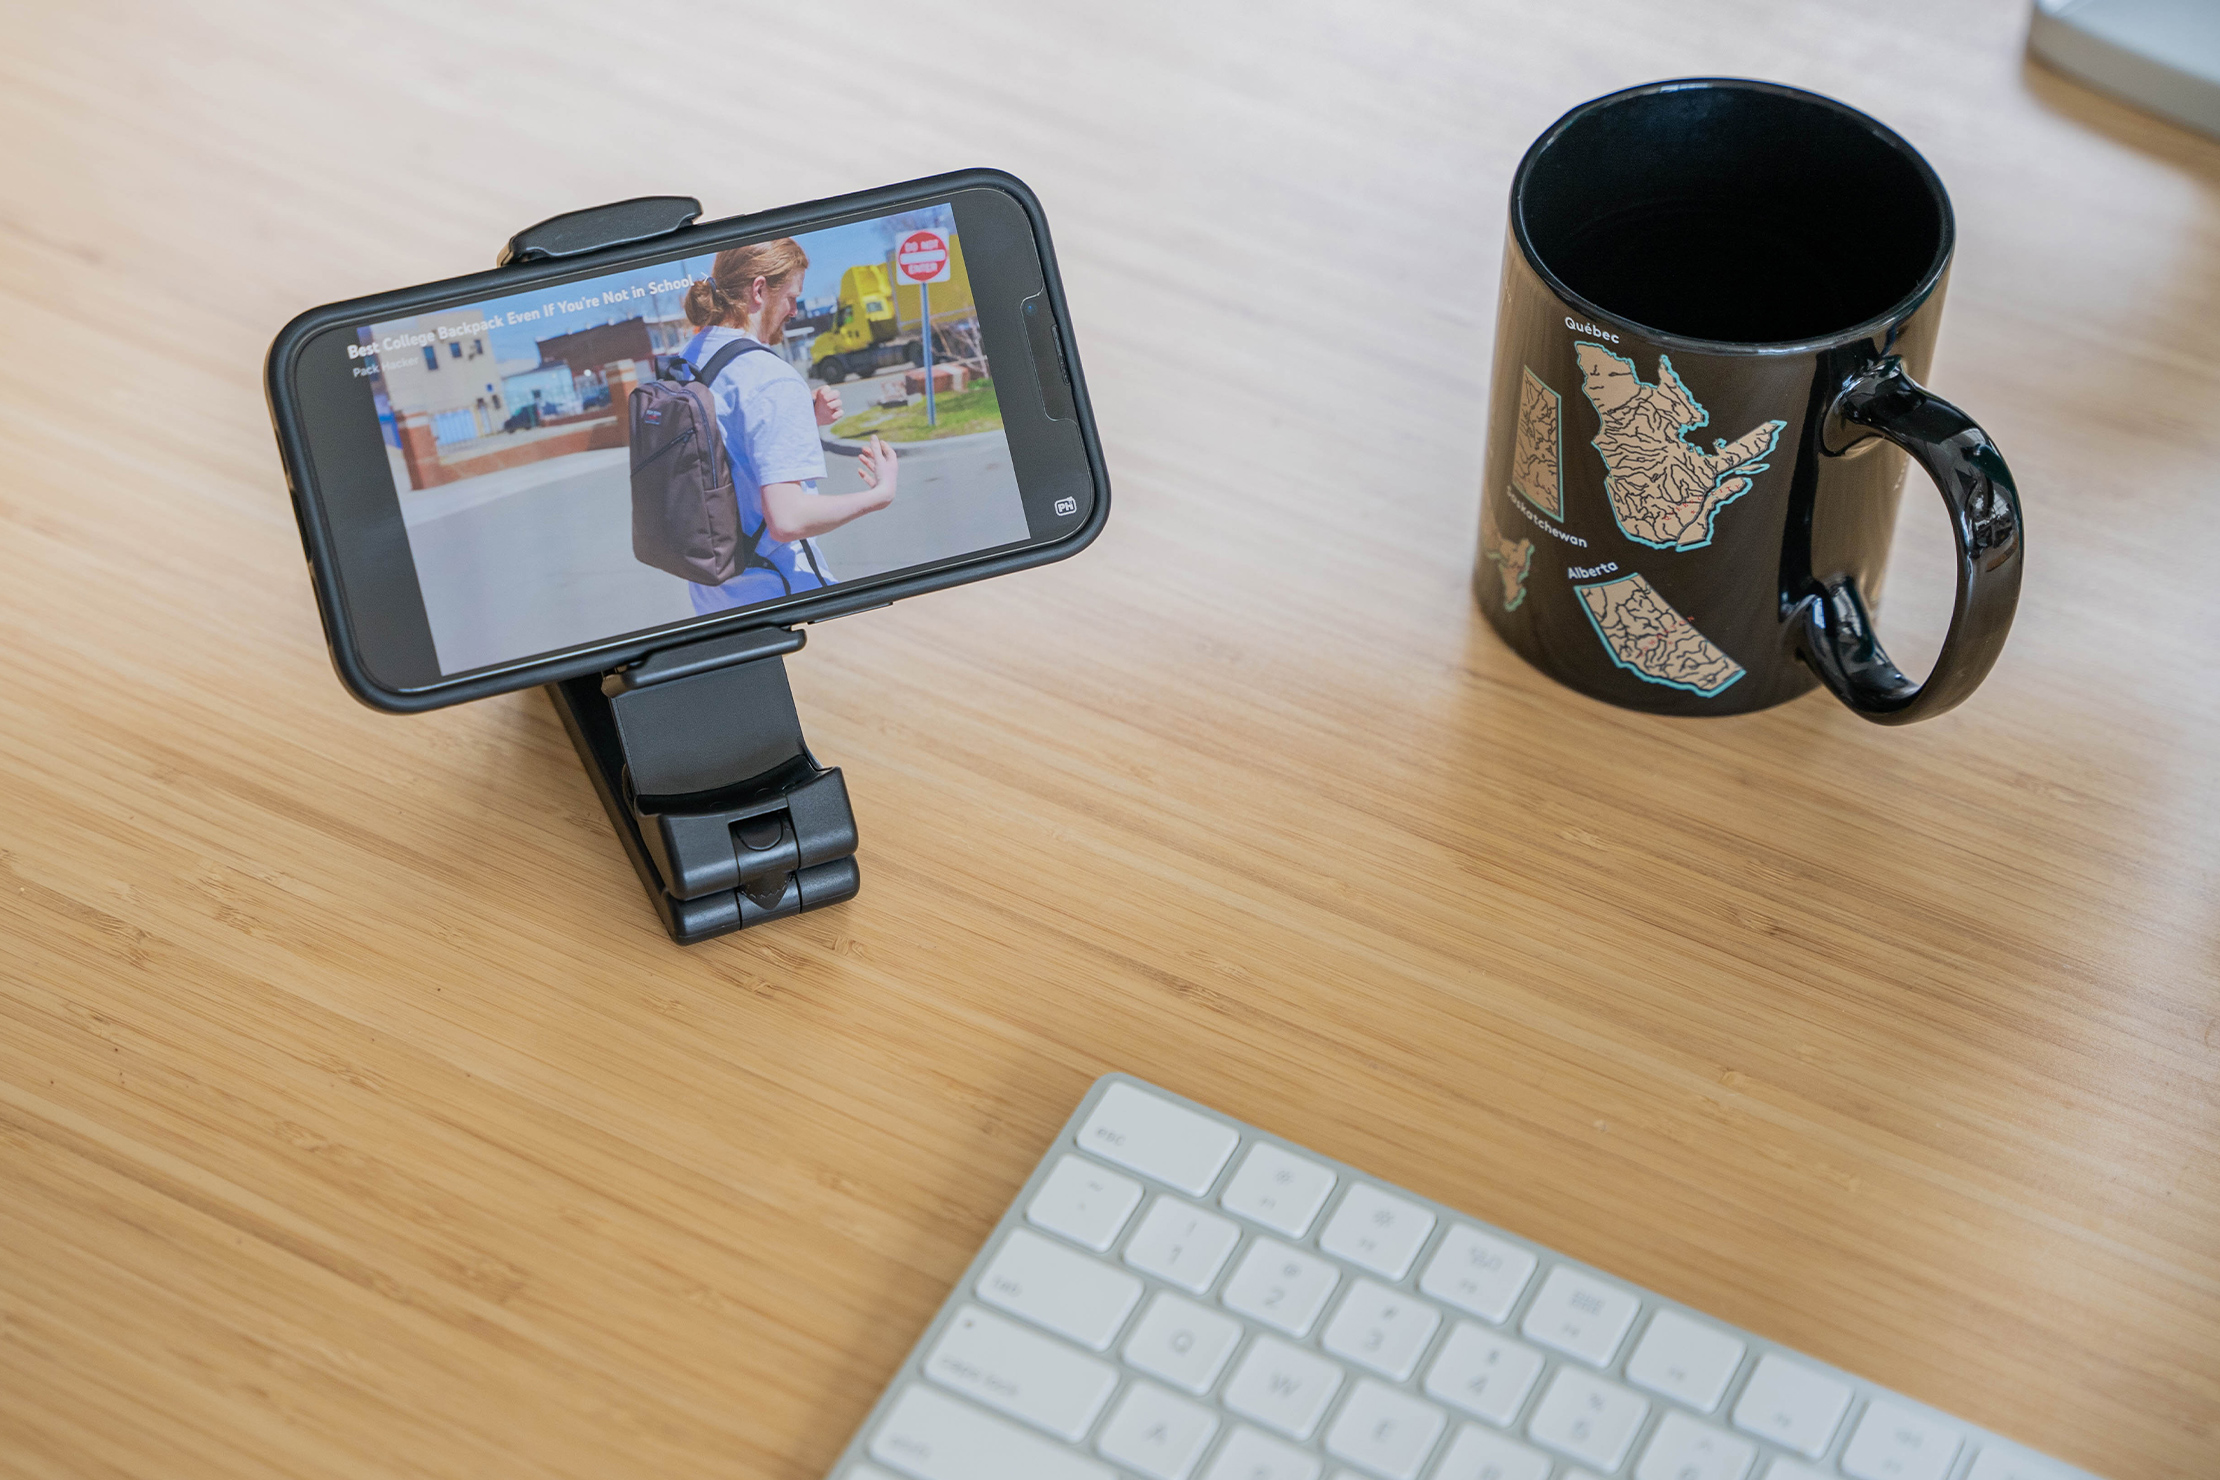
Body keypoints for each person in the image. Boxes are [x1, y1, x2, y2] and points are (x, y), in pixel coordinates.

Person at [675, 237, 898, 614]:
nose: (795, 309)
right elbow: (787, 519)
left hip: (714, 602)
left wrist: (801, 419)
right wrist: (880, 495)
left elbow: (724, 452)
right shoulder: (768, 376)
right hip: (783, 596)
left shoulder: (686, 362)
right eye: (792, 296)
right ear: (759, 290)